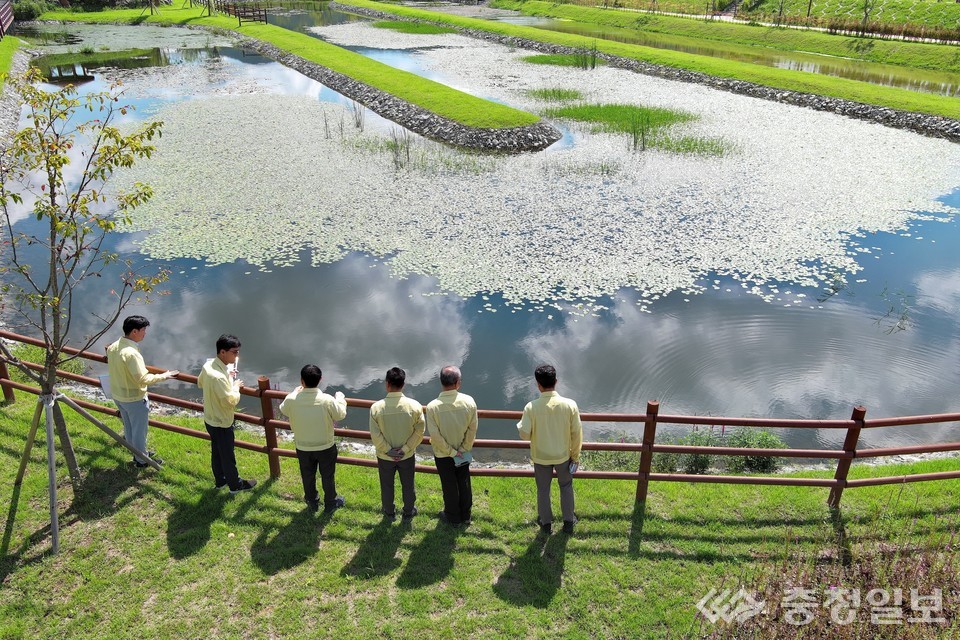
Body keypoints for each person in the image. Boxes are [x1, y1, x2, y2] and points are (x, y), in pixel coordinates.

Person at [105, 315, 179, 468]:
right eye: (143, 330)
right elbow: (142, 379)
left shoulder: (113, 346)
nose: (145, 333)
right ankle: (141, 460)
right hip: (133, 398)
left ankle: (138, 452)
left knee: (129, 427)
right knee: (139, 430)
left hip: (118, 396)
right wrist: (165, 375)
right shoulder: (132, 354)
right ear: (134, 332)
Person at [517, 364, 583, 535]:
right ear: (556, 381)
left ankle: (546, 523)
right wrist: (575, 456)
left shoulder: (531, 407)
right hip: (563, 456)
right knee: (566, 486)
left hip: (541, 457)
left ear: (538, 384)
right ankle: (568, 521)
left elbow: (524, 435)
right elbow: (577, 434)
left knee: (543, 489)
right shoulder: (570, 405)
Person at [279, 364, 348, 513]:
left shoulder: (292, 399)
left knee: (307, 475)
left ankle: (312, 501)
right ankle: (330, 502)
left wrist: (294, 392)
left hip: (303, 446)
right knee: (328, 475)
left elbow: (283, 409)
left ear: (301, 381)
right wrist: (341, 399)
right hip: (325, 446)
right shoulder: (327, 400)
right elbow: (340, 414)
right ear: (320, 380)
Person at [197, 334, 257, 494]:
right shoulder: (218, 377)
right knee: (227, 455)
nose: (237, 355)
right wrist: (235, 386)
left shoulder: (208, 366)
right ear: (223, 352)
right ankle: (235, 486)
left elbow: (200, 382)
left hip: (209, 418)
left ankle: (220, 481)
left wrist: (227, 377)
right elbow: (230, 400)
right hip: (222, 421)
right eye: (235, 352)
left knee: (217, 451)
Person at [369, 367, 424, 521]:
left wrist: (388, 450)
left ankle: (389, 512)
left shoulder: (376, 408)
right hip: (406, 456)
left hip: (385, 456)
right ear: (403, 384)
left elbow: (375, 435)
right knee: (408, 485)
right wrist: (405, 449)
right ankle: (408, 512)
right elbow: (419, 431)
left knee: (386, 485)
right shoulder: (415, 406)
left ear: (387, 384)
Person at [425, 365, 477, 526]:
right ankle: (466, 515)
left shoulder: (432, 406)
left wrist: (451, 452)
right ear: (458, 383)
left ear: (441, 382)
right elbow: (472, 429)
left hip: (443, 454)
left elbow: (435, 435)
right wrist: (462, 449)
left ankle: (453, 517)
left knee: (449, 484)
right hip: (463, 452)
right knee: (464, 482)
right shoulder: (469, 401)